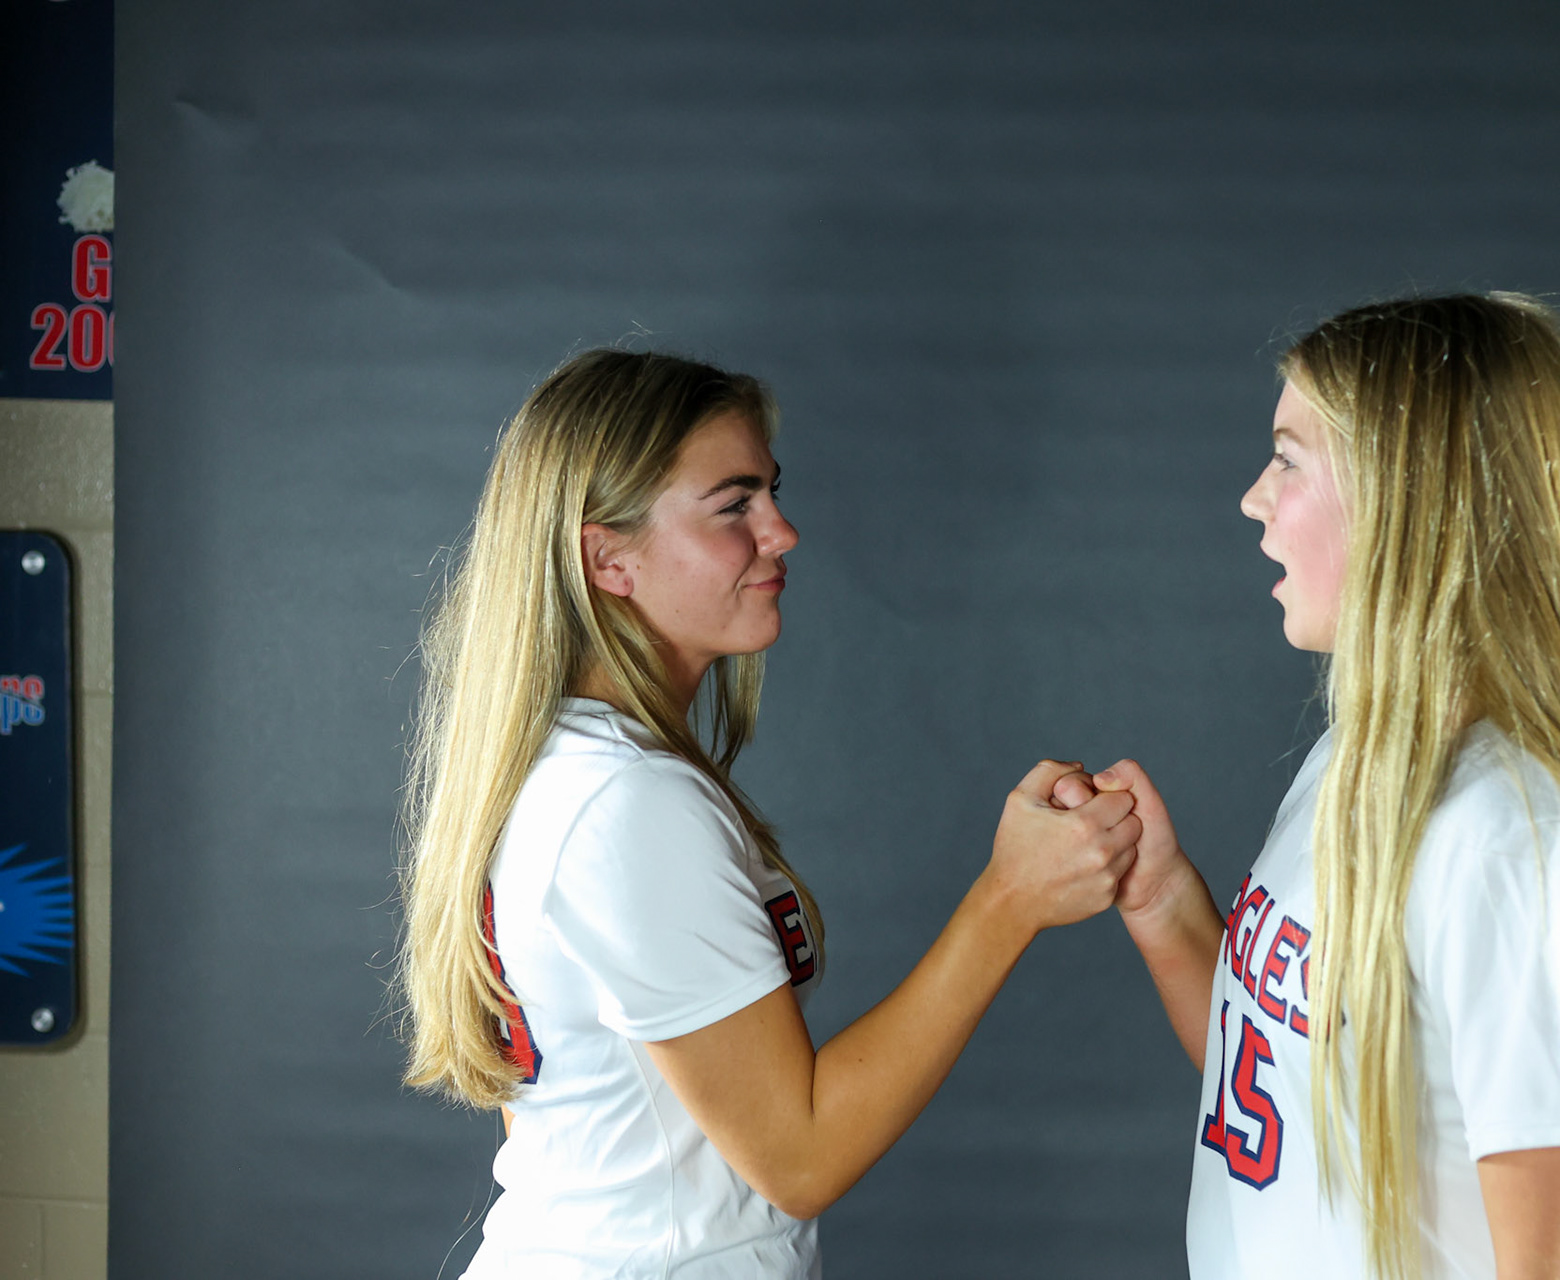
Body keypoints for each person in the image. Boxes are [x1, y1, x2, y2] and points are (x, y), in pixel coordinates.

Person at [1055, 294, 1560, 1280]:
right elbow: (1292, 1088)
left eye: (1289, 461)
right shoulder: (1359, 761)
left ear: (1408, 502)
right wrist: (1166, 902)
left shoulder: (1513, 840)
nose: (1255, 498)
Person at [397, 349, 1141, 1278]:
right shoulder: (625, 803)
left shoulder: (568, 768)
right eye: (733, 506)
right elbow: (801, 1157)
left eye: (771, 494)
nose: (781, 532)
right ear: (608, 559)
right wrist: (1010, 899)